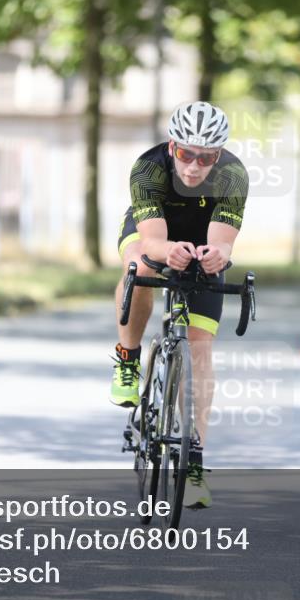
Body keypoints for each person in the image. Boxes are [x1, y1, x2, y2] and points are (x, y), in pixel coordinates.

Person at [110, 101, 248, 509]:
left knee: (201, 345)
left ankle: (194, 462)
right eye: (186, 154)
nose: (194, 166)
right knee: (139, 266)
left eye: (206, 157)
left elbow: (224, 242)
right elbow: (152, 241)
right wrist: (166, 251)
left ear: (219, 155)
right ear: (173, 147)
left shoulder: (232, 175)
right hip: (153, 232)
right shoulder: (148, 168)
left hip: (202, 237)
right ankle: (127, 358)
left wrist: (218, 256)